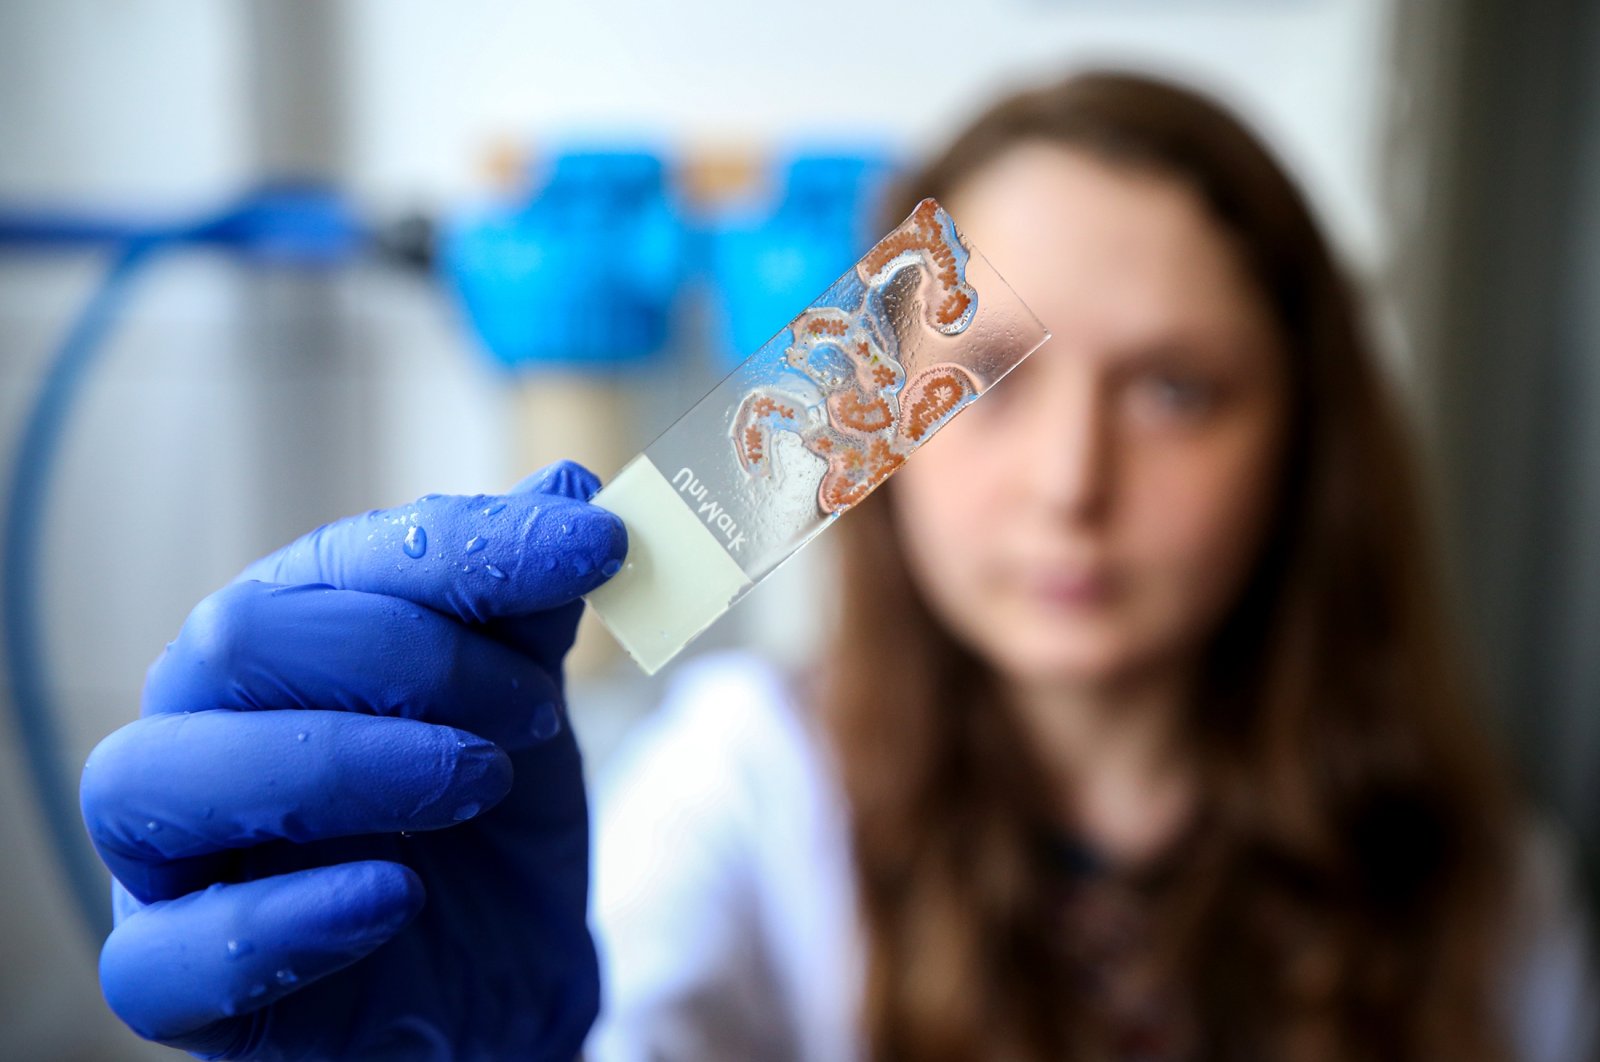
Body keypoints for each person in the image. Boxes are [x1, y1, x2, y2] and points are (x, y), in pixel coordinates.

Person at [79, 72, 1595, 1061]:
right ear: (875, 433)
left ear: (1306, 442)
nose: (1073, 485)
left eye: (1178, 389)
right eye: (988, 382)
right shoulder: (744, 786)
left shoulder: (1489, 889)